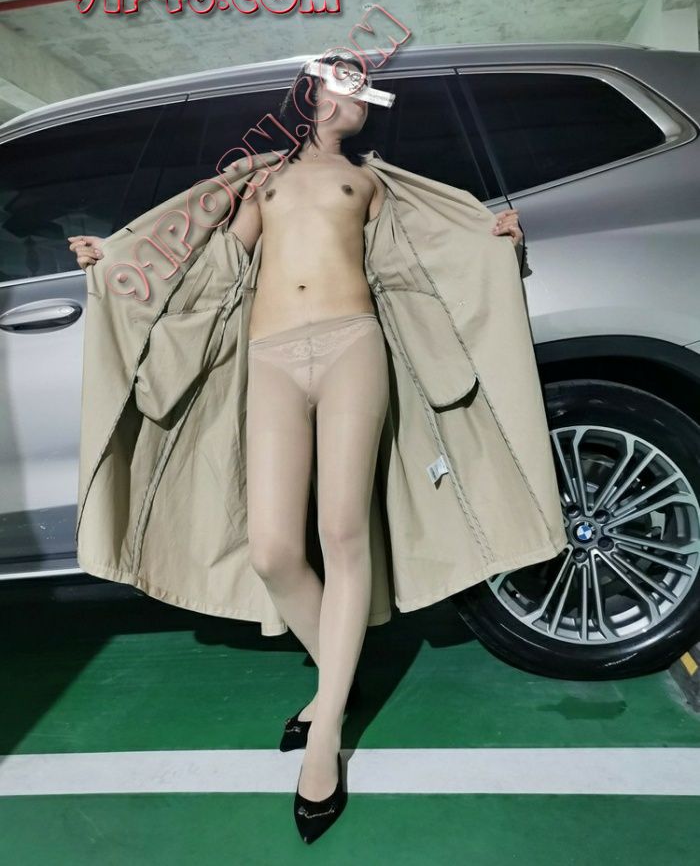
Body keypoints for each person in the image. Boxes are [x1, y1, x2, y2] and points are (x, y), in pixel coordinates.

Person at [68, 54, 523, 843]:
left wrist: (494, 237)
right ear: (311, 93)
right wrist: (116, 260)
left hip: (353, 344)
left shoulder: (370, 181)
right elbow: (212, 262)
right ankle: (340, 679)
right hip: (271, 354)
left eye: (365, 91)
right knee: (274, 550)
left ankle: (325, 732)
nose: (356, 97)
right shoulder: (264, 179)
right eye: (343, 82)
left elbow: (429, 250)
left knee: (343, 533)